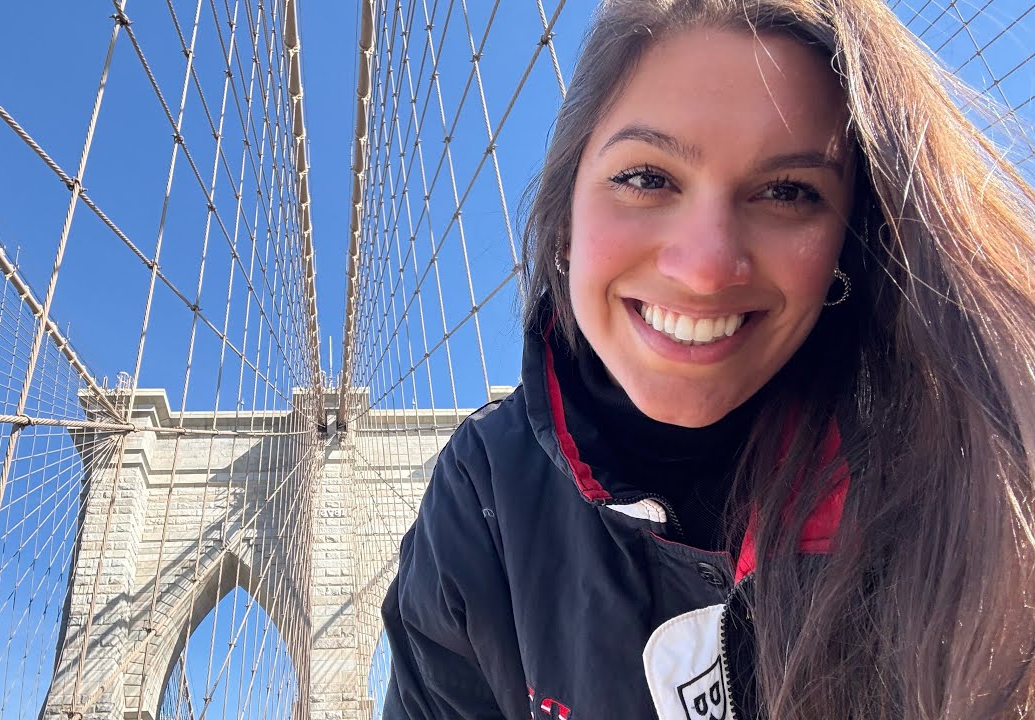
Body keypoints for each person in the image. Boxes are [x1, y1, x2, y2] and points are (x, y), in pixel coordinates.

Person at [379, 0, 1035, 718]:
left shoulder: (979, 476)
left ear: (849, 240)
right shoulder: (486, 495)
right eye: (647, 178)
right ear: (565, 222)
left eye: (787, 192)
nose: (705, 269)